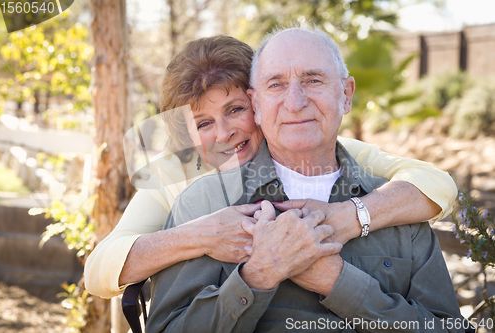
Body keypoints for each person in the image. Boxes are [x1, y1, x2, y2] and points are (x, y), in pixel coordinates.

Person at [84, 35, 457, 300]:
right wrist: (200, 235)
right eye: (203, 123)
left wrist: (347, 216)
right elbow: (98, 271)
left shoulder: (329, 149)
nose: (225, 133)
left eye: (235, 110)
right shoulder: (176, 172)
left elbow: (436, 183)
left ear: (258, 102)